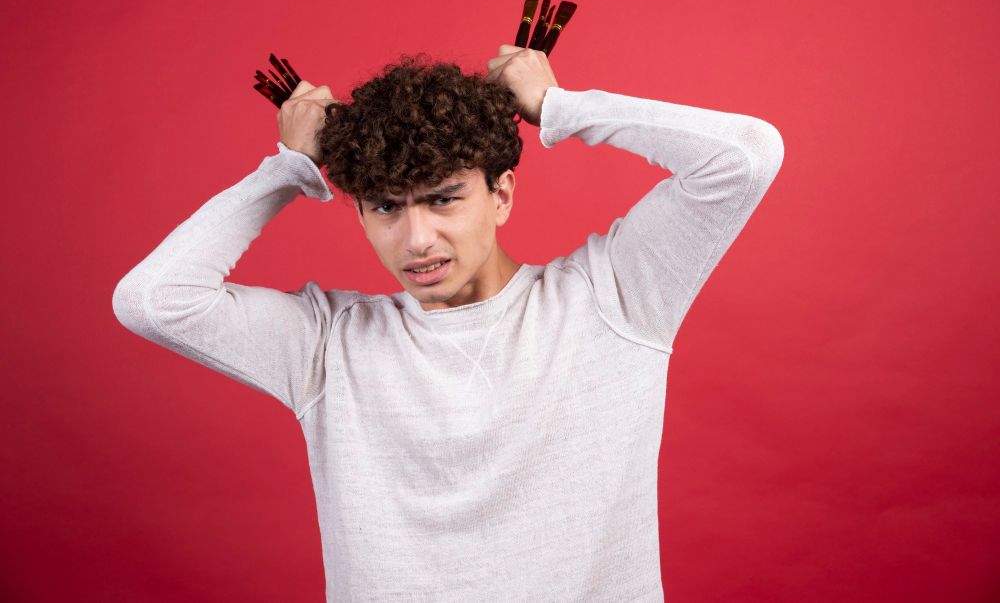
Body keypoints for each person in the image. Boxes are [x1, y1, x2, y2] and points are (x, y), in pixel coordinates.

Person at [112, 44, 784, 602]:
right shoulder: (329, 346)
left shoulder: (612, 298)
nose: (417, 238)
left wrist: (559, 108)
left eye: (443, 198)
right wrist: (289, 168)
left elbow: (746, 156)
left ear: (501, 193)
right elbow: (152, 299)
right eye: (385, 206)